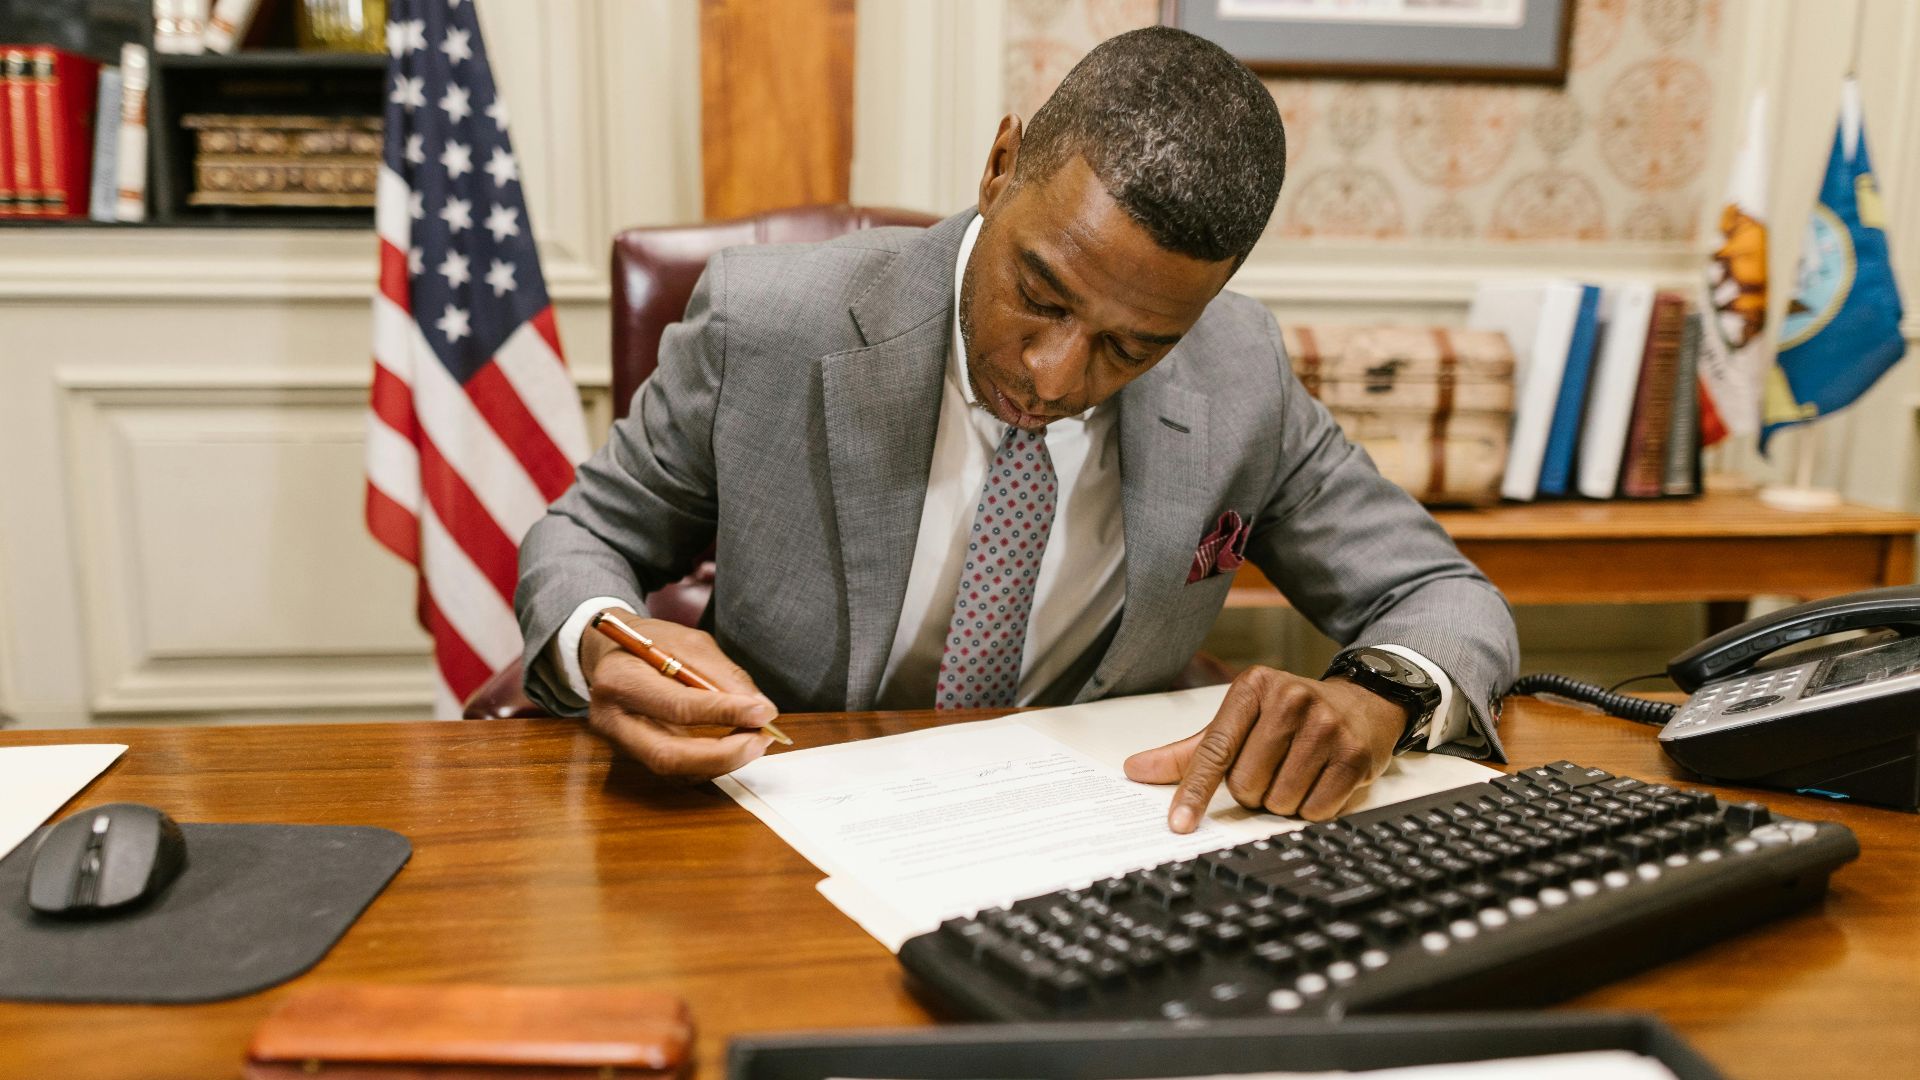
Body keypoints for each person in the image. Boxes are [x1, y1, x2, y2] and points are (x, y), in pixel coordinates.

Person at [516, 26, 1518, 829]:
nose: (1055, 375)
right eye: (1037, 294)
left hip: (1088, 838)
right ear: (1000, 166)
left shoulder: (1241, 370)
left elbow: (1442, 595)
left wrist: (1378, 697)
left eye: (1133, 347)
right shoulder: (765, 323)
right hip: (777, 817)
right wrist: (606, 644)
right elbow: (581, 536)